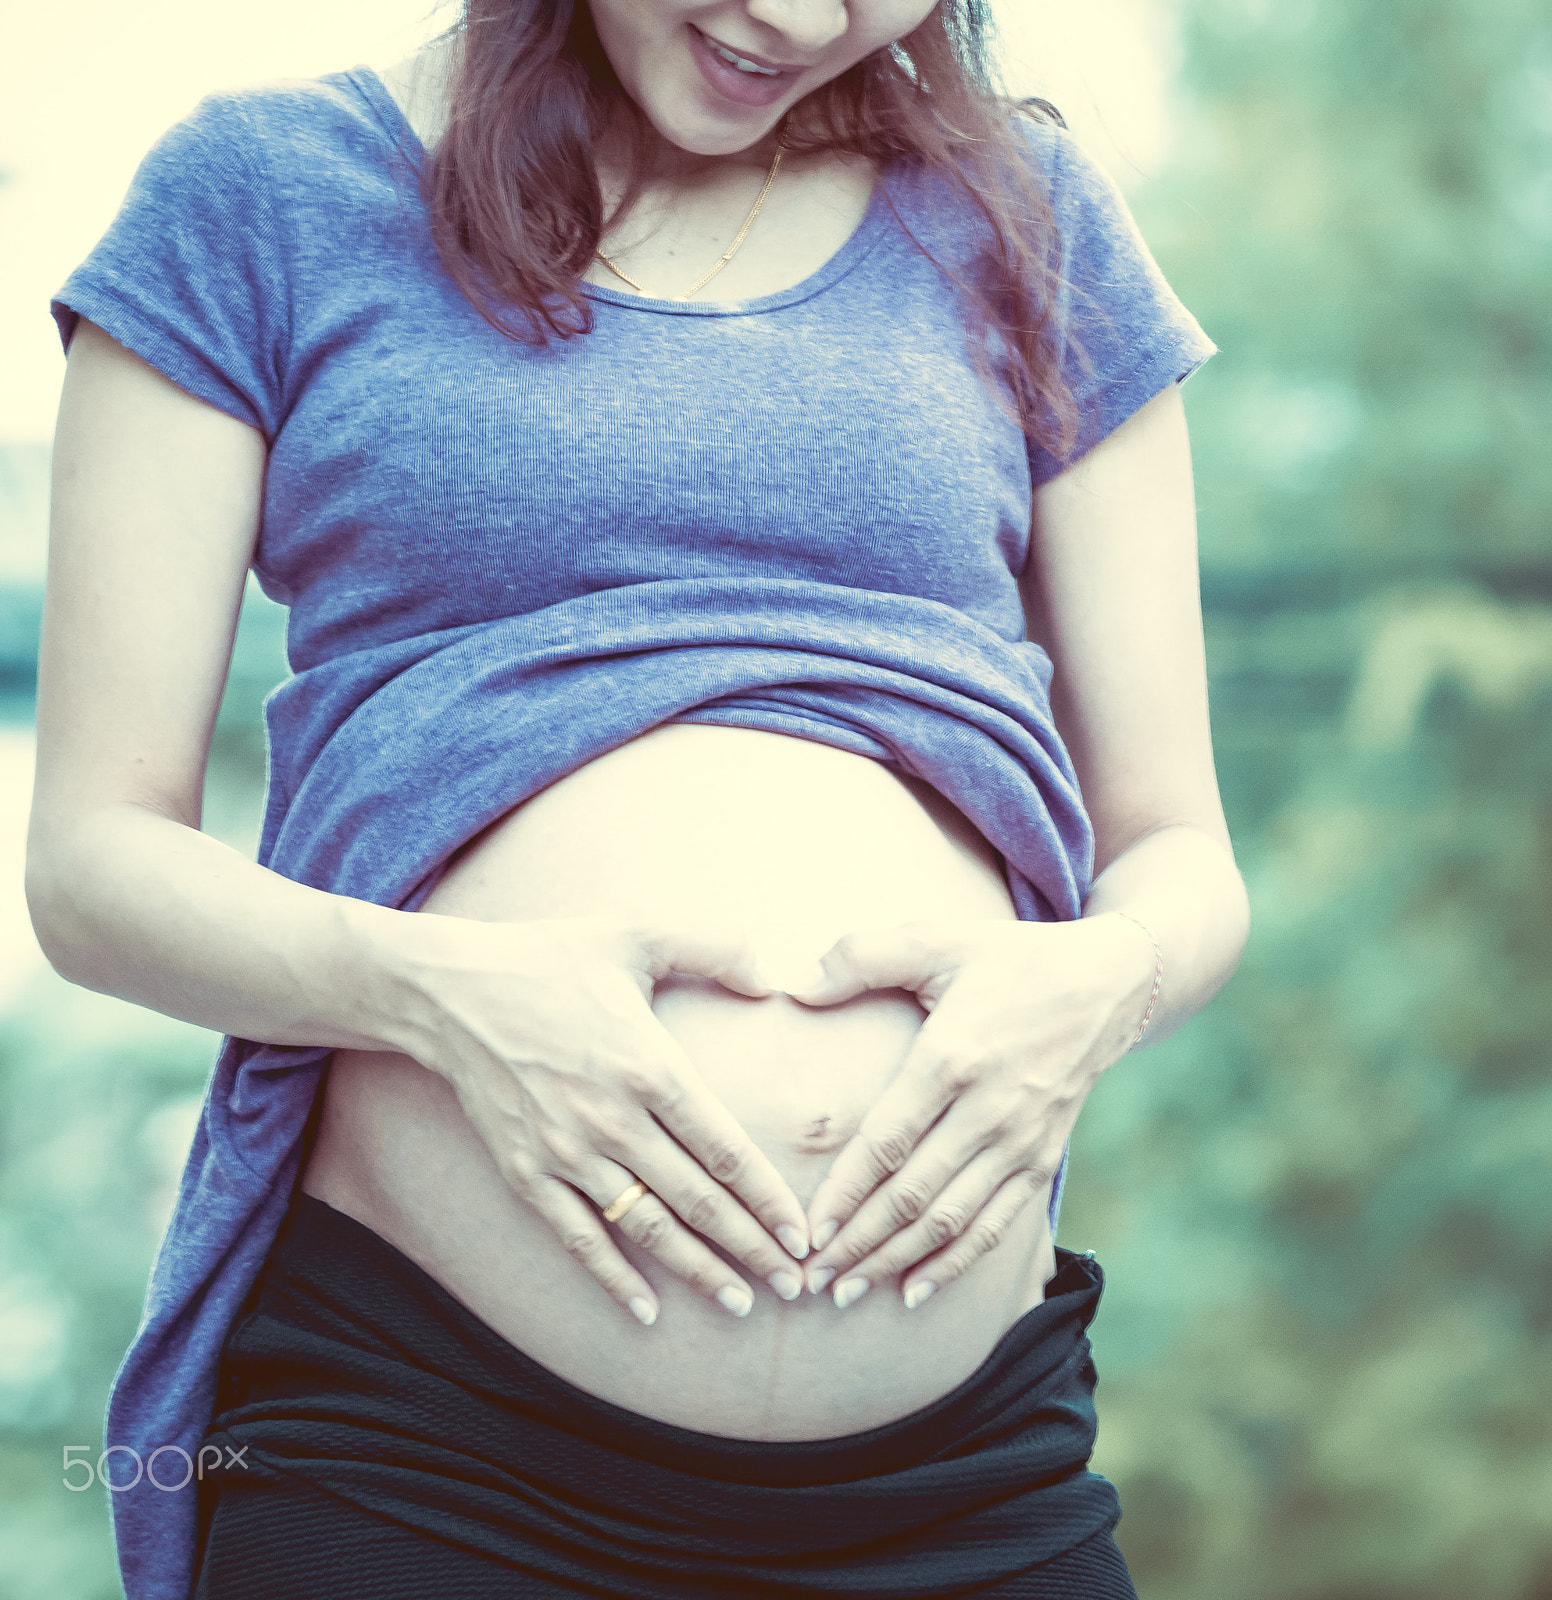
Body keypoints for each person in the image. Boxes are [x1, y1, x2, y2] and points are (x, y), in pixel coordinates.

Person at [29, 1, 1250, 1596]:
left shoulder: (1026, 213)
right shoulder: (264, 193)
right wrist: (443, 998)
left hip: (961, 1483)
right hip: (425, 1453)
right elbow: (91, 863)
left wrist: (1091, 990)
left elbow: (1179, 850)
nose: (805, 17)